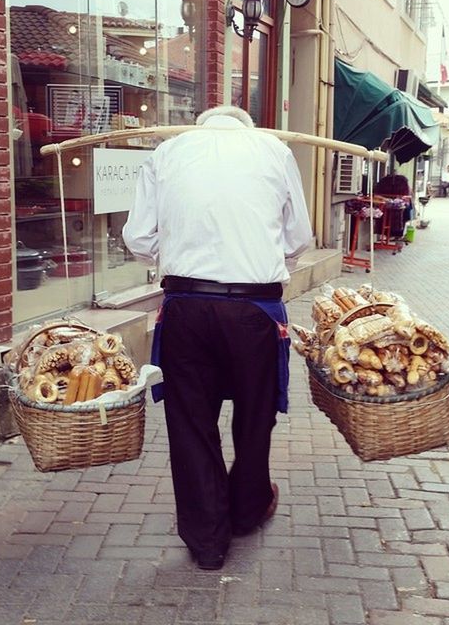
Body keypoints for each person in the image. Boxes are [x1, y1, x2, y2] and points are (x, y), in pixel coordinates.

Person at [122, 105, 312, 570]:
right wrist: (253, 250)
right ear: (245, 126)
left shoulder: (168, 152)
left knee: (190, 422)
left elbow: (138, 238)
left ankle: (207, 542)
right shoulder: (274, 151)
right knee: (255, 414)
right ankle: (246, 511)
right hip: (254, 307)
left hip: (185, 306)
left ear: (200, 125)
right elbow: (299, 238)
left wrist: (182, 247)